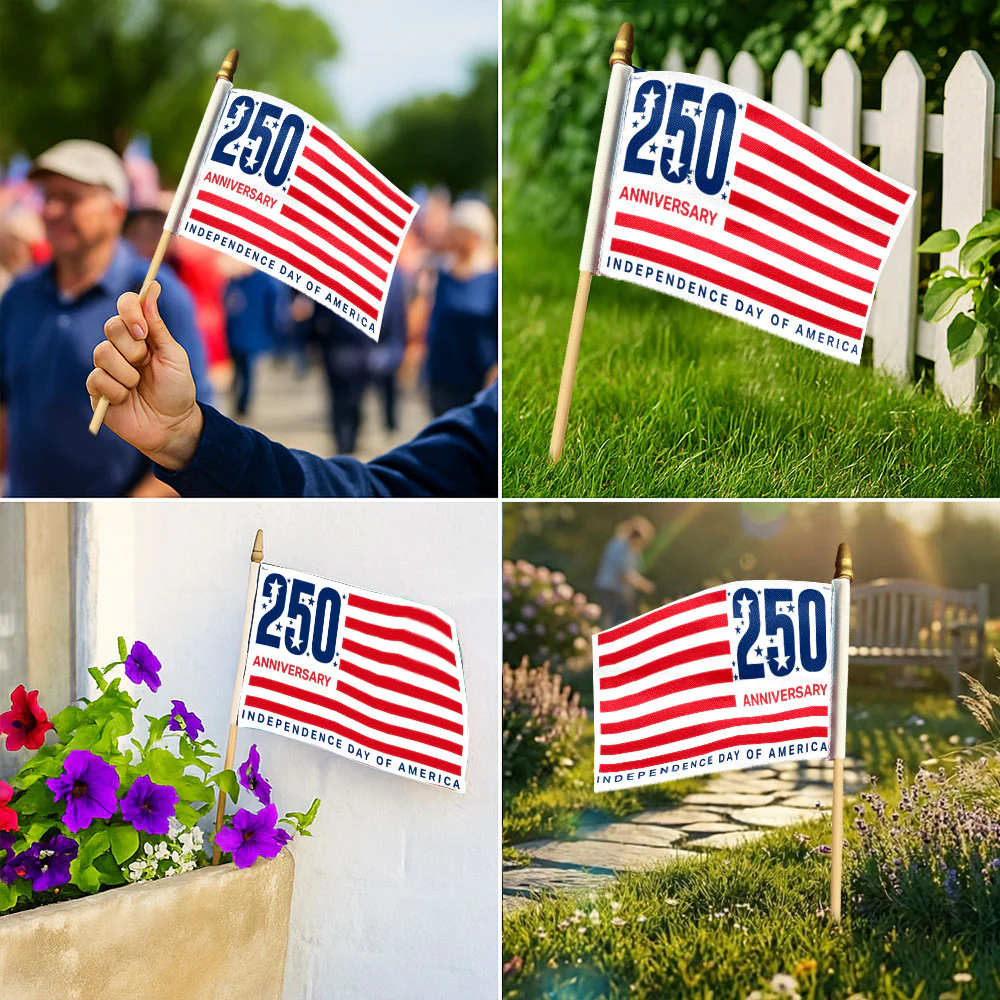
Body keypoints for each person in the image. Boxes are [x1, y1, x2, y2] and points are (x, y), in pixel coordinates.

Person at [85, 280, 497, 497]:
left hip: (372, 359)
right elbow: (373, 495)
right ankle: (345, 438)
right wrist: (186, 435)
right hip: (337, 357)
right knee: (342, 415)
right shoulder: (489, 426)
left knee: (354, 410)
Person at [0, 140, 210, 497]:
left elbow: (194, 436)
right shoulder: (19, 296)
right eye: (46, 196)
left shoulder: (156, 297)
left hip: (121, 531)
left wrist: (125, 518)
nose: (51, 210)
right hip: (26, 519)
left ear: (115, 209)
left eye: (70, 197)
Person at [425, 198, 498, 417]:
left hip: (479, 378)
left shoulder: (491, 277)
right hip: (442, 376)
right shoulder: (442, 273)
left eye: (460, 231)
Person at [222, 265, 280, 417]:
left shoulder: (255, 281)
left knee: (245, 371)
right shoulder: (236, 281)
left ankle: (241, 404)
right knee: (242, 370)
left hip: (247, 332)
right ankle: (240, 403)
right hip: (239, 333)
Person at [594, 517, 657, 627]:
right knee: (609, 624)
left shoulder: (634, 549)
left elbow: (635, 570)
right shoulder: (619, 545)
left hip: (619, 593)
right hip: (610, 589)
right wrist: (643, 585)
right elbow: (625, 574)